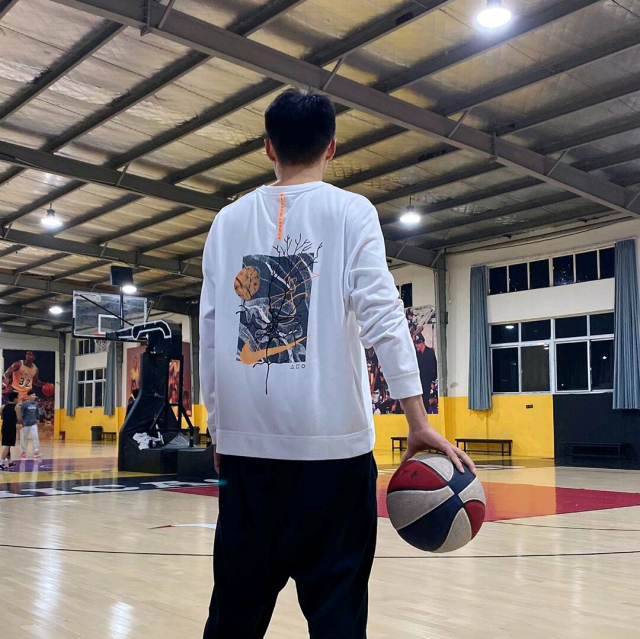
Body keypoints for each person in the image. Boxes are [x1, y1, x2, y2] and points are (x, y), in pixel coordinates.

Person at [199, 89, 475, 639]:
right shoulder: (351, 211)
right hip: (334, 459)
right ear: (331, 147)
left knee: (232, 619)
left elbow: (211, 332)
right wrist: (417, 420)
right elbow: (384, 316)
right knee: (338, 621)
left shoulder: (225, 222)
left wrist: (218, 427)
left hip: (248, 459)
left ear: (267, 147)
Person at [18, 390, 41, 459]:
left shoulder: (36, 403)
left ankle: (36, 451)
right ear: (28, 396)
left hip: (33, 423)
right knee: (23, 438)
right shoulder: (24, 404)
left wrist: (37, 419)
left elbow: (37, 412)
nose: (34, 396)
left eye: (35, 395)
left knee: (35, 437)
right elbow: (21, 413)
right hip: (25, 424)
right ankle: (23, 452)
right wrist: (21, 422)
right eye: (33, 395)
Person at [1, 391, 19, 471]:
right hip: (11, 428)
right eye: (17, 398)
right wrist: (23, 423)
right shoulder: (16, 407)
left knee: (8, 445)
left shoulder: (3, 407)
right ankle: (1, 462)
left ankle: (9, 462)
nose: (18, 399)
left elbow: (1, 414)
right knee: (7, 446)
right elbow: (19, 418)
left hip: (4, 427)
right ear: (15, 399)